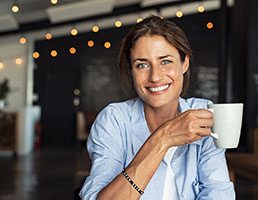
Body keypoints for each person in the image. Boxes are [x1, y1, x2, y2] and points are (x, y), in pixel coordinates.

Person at [79, 15, 235, 200]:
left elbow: (218, 192)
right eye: (142, 65)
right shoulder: (113, 120)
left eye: (166, 61)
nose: (155, 77)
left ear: (184, 63)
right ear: (131, 71)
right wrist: (162, 139)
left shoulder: (203, 114)